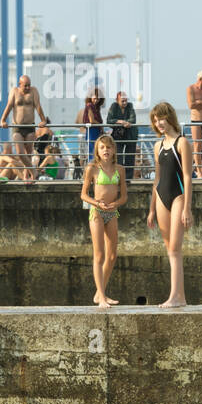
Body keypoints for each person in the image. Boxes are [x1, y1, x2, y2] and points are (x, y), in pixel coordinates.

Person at [147, 101, 194, 307]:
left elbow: (187, 176)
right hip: (160, 197)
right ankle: (180, 298)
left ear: (170, 118)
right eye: (156, 121)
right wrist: (151, 210)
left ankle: (174, 296)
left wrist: (187, 208)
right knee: (169, 249)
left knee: (175, 248)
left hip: (178, 196)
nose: (159, 124)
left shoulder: (182, 142)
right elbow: (156, 179)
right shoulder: (157, 145)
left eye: (162, 119)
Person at [81, 132, 128, 307]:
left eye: (109, 147)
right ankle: (101, 297)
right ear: (97, 151)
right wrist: (97, 203)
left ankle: (99, 293)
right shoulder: (92, 168)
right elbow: (84, 194)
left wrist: (115, 204)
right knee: (99, 254)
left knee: (112, 255)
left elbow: (124, 197)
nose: (106, 150)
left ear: (114, 150)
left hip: (112, 212)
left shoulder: (120, 170)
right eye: (102, 147)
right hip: (97, 212)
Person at [0, 75, 46, 171]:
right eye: (25, 86)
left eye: (29, 85)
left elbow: (38, 106)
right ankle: (33, 172)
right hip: (17, 127)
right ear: (19, 84)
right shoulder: (14, 91)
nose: (28, 88)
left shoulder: (33, 91)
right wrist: (3, 120)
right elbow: (9, 106)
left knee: (29, 153)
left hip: (30, 126)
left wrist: (43, 120)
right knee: (20, 153)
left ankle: (26, 176)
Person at [107, 91, 138, 176]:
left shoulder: (130, 105)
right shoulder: (114, 106)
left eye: (126, 100)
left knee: (130, 157)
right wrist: (120, 121)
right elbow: (109, 120)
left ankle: (128, 179)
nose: (125, 103)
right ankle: (118, 176)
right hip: (118, 136)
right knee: (118, 157)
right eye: (122, 101)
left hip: (130, 135)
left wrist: (126, 123)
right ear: (117, 100)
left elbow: (133, 120)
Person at [82, 88, 104, 159]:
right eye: (95, 98)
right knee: (93, 152)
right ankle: (92, 168)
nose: (96, 100)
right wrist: (100, 125)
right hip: (92, 131)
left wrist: (101, 128)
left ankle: (95, 168)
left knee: (96, 151)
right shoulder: (89, 105)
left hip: (96, 131)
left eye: (98, 99)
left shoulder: (96, 107)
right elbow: (92, 120)